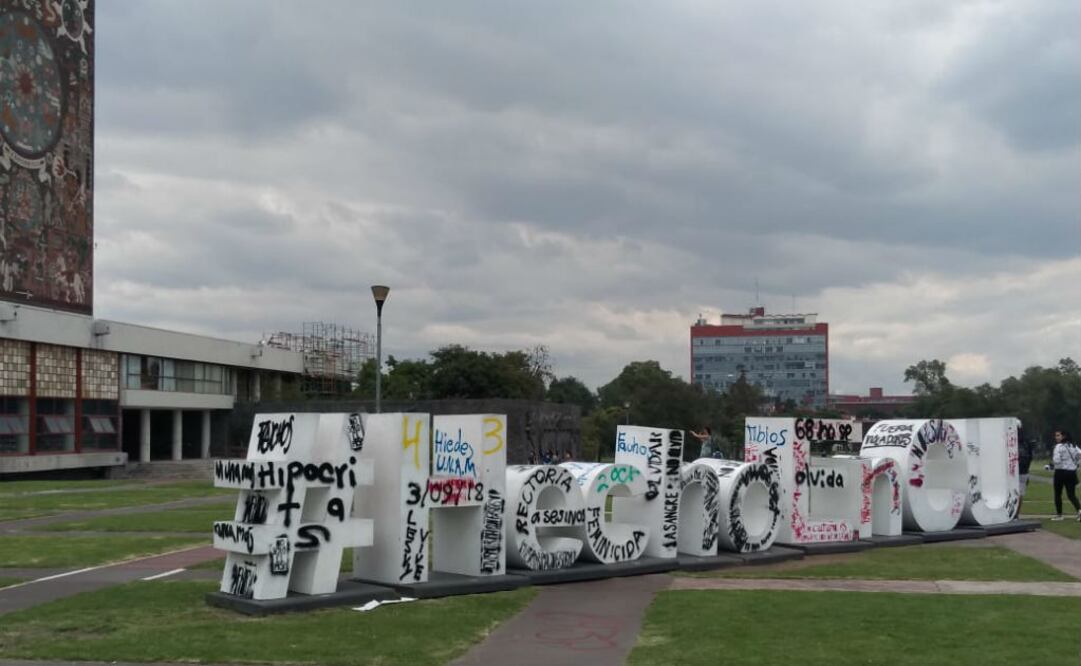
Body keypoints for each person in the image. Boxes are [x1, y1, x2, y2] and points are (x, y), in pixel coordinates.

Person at [1045, 429, 1081, 521]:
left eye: (1058, 435)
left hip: (1060, 473)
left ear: (1063, 436)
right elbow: (1079, 455)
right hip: (1071, 472)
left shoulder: (1058, 447)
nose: (1056, 437)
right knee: (1071, 495)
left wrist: (1050, 466)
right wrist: (1076, 464)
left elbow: (1057, 461)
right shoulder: (1073, 445)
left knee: (1058, 494)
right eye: (1056, 435)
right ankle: (1079, 511)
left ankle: (1059, 515)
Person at [1017, 425, 1033, 516]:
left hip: (1013, 471)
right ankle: (1017, 514)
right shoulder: (1027, 442)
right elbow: (1031, 457)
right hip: (1024, 471)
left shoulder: (1011, 440)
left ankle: (1011, 513)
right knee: (1021, 493)